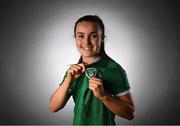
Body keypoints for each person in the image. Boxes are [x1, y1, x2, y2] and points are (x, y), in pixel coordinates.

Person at [49, 15, 135, 125]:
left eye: (93, 36)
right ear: (75, 38)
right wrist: (68, 80)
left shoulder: (114, 69)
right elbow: (53, 107)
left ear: (102, 38)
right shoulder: (74, 71)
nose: (86, 42)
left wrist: (104, 96)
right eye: (81, 36)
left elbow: (130, 113)